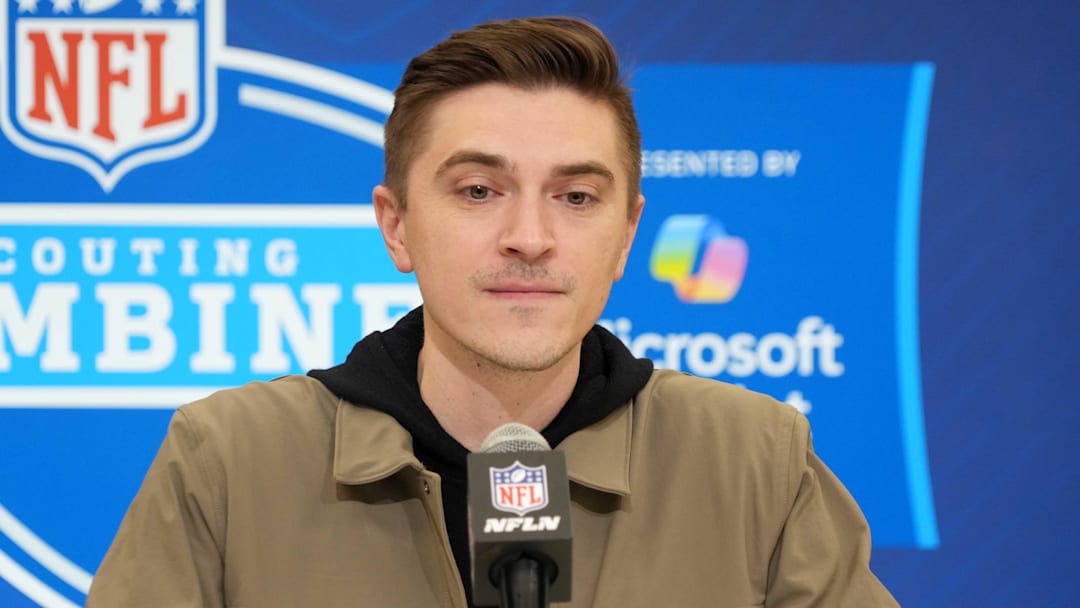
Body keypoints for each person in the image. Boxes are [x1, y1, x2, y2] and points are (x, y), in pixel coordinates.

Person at [87, 16, 899, 608]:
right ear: (397, 224)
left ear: (625, 238)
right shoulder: (227, 461)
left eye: (576, 196)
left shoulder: (755, 459)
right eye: (479, 191)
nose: (530, 238)